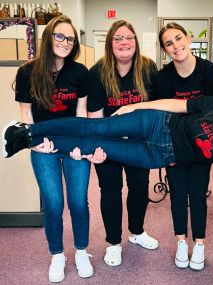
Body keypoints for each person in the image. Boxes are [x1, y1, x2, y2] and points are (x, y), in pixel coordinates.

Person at [4, 79, 213, 189]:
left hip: (156, 156)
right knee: (96, 128)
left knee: (94, 145)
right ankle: (28, 130)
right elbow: (175, 104)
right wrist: (138, 105)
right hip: (156, 124)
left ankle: (27, 141)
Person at [12, 15, 93, 283]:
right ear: (49, 38)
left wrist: (82, 145)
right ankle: (57, 254)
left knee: (78, 202)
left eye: (70, 38)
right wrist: (36, 143)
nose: (65, 42)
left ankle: (81, 251)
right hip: (43, 146)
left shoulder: (79, 72)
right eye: (60, 36)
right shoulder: (27, 72)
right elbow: (26, 114)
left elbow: (81, 112)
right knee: (54, 204)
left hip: (74, 146)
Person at [86, 19, 159, 267]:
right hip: (108, 142)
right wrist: (99, 143)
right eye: (118, 38)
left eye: (128, 37)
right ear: (110, 43)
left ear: (136, 42)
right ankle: (114, 243)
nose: (124, 42)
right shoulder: (97, 73)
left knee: (139, 188)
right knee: (110, 190)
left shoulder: (148, 68)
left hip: (139, 142)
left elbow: (156, 107)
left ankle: (137, 232)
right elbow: (95, 116)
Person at [155, 22, 213, 270]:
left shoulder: (208, 70)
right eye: (168, 43)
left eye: (178, 38)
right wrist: (163, 149)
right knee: (177, 196)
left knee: (198, 195)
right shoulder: (162, 77)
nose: (175, 46)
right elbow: (161, 114)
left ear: (189, 38)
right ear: (165, 49)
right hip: (173, 146)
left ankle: (200, 243)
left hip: (200, 145)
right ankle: (181, 241)